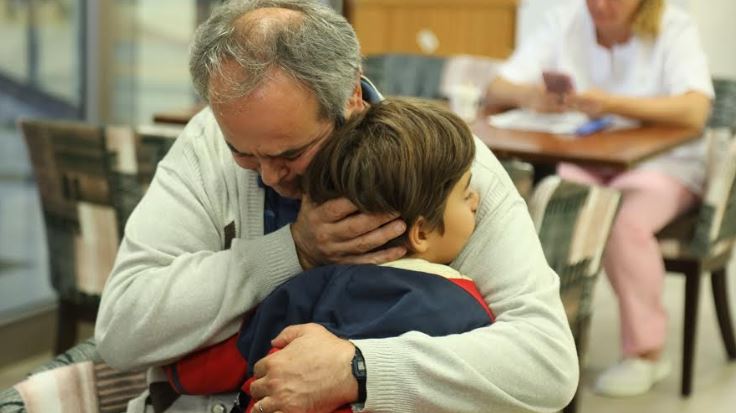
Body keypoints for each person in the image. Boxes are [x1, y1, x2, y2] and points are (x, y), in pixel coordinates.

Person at [95, 1, 579, 412]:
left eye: (290, 154)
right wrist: (294, 250)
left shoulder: (443, 172)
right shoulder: (206, 144)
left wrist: (358, 369)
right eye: (243, 152)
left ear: (351, 98)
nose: (266, 175)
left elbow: (547, 362)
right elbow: (121, 333)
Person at [163, 98, 492, 413]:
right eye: (465, 195)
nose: (477, 200)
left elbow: (214, 363)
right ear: (420, 233)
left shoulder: (307, 286)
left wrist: (179, 374)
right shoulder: (466, 306)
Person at [485, 0, 714, 397]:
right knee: (551, 204)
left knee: (622, 220)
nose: (599, 5)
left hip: (665, 166)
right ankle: (541, 340)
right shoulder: (567, 19)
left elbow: (695, 110)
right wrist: (533, 97)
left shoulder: (674, 28)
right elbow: (497, 87)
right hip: (589, 158)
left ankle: (646, 353)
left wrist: (611, 103)